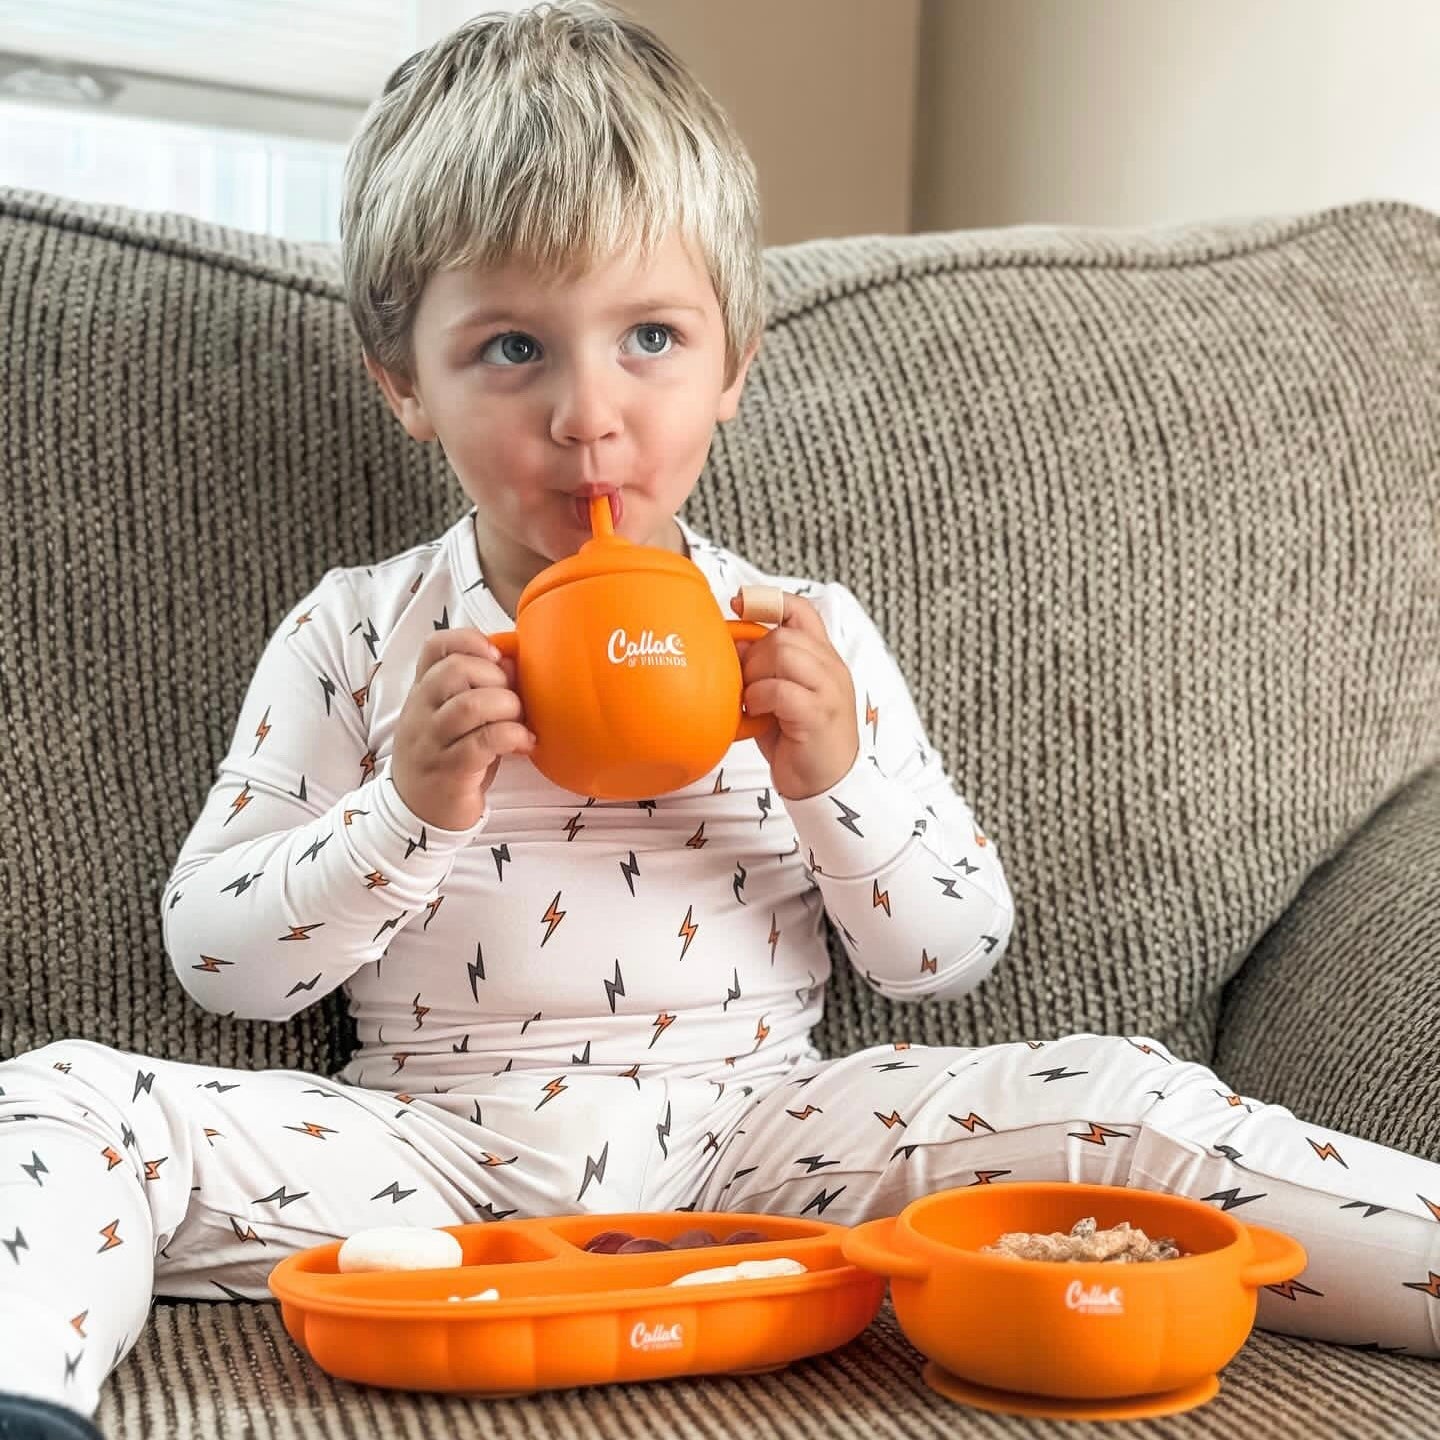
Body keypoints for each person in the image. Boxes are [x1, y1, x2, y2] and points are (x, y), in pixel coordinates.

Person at [2, 3, 1436, 1433]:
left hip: (764, 1136)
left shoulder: (802, 632)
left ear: (733, 365)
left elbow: (950, 953)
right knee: (62, 1102)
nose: (587, 414)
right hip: (431, 1149)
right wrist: (403, 814)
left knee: (1124, 1097)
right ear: (405, 384)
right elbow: (218, 961)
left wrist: (832, 774)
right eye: (512, 348)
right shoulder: (361, 632)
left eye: (650, 336)